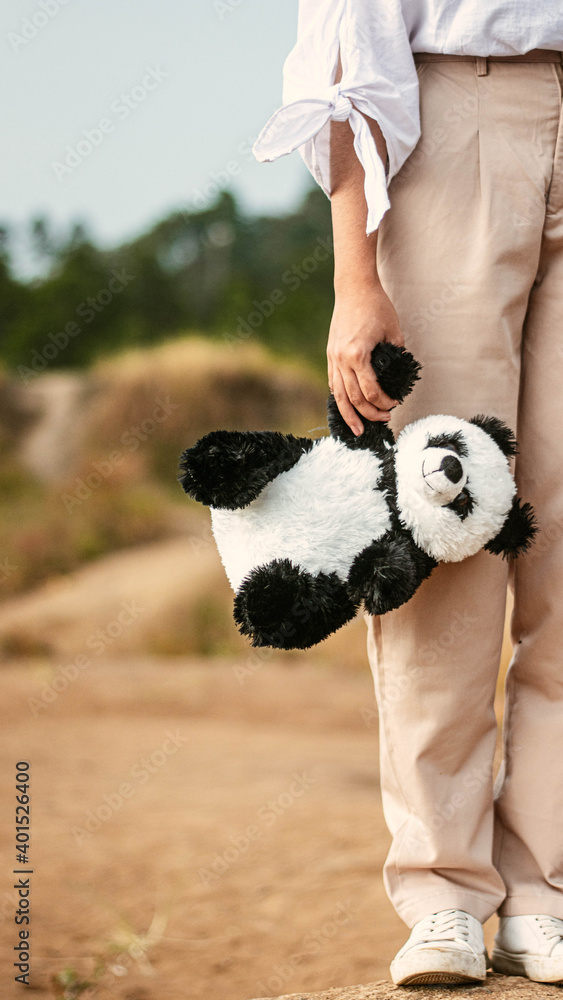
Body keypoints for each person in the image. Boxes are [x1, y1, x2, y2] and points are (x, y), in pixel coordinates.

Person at [252, 0, 563, 988]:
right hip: (450, 125)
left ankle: (546, 889)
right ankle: (442, 890)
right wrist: (355, 274)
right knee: (449, 531)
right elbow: (347, 46)